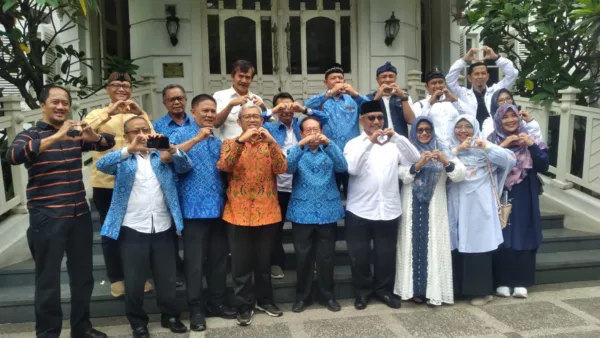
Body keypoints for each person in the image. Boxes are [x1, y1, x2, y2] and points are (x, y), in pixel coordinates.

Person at [7, 85, 114, 338]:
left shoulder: (75, 132)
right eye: (55, 102)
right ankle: (48, 333)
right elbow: (12, 156)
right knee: (48, 282)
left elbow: (107, 143)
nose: (61, 107)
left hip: (79, 216)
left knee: (83, 277)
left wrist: (94, 138)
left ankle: (82, 327)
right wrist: (57, 136)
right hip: (47, 217)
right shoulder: (30, 134)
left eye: (65, 103)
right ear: (42, 105)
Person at [97, 116, 190, 338]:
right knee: (135, 279)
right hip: (132, 227)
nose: (141, 133)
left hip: (163, 225)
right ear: (127, 135)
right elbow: (102, 165)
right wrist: (129, 149)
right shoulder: (123, 159)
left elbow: (185, 165)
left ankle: (170, 316)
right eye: (135, 131)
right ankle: (138, 323)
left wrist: (171, 147)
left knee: (167, 277)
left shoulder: (162, 156)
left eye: (145, 129)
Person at [343, 101, 421, 310]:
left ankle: (384, 291)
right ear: (362, 121)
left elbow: (415, 159)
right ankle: (362, 293)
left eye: (379, 117)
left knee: (385, 255)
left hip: (388, 208)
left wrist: (396, 137)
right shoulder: (353, 144)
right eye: (371, 118)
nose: (376, 122)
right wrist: (370, 141)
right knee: (359, 256)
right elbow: (352, 169)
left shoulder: (394, 144)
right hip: (359, 210)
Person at [169, 94, 237, 331]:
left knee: (218, 261)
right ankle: (196, 307)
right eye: (205, 111)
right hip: (192, 210)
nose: (209, 115)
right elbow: (170, 159)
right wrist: (196, 139)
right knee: (195, 264)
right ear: (193, 111)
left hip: (219, 210)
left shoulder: (217, 141)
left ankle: (216, 303)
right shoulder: (179, 135)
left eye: (212, 111)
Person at [83, 72, 154, 297]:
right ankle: (117, 277)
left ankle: (140, 274)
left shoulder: (138, 114)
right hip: (106, 182)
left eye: (126, 85)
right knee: (111, 230)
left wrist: (140, 113)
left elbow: (151, 136)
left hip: (136, 180)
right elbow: (84, 132)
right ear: (107, 88)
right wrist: (109, 112)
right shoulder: (97, 113)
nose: (122, 89)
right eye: (116, 85)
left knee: (137, 231)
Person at [217, 104, 288, 326]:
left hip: (267, 212)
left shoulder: (270, 145)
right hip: (238, 213)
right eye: (247, 117)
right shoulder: (230, 143)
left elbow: (282, 168)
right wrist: (241, 141)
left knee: (263, 263)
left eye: (256, 117)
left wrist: (273, 143)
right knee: (241, 265)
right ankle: (243, 305)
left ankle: (265, 300)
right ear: (239, 122)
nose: (252, 120)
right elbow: (225, 166)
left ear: (263, 121)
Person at [394, 116, 466, 307]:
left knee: (434, 244)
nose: (424, 133)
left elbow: (459, 174)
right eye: (420, 130)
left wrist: (444, 161)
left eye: (427, 129)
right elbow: (402, 175)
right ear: (414, 132)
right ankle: (414, 290)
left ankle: (433, 291)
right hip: (411, 203)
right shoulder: (407, 150)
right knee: (411, 244)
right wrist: (417, 165)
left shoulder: (443, 149)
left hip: (436, 205)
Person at [447, 115, 516, 306]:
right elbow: (441, 162)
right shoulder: (452, 150)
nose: (462, 131)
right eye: (458, 126)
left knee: (478, 247)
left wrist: (486, 145)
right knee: (457, 244)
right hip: (456, 205)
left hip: (480, 206)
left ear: (475, 128)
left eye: (467, 127)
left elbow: (510, 160)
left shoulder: (486, 151)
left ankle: (482, 292)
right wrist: (456, 149)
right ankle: (458, 290)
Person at [262, 92, 328, 279]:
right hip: (278, 186)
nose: (287, 110)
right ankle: (276, 262)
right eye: (281, 107)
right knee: (276, 227)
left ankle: (313, 263)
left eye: (289, 106)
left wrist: (303, 109)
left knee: (308, 228)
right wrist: (273, 111)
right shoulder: (269, 127)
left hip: (303, 185)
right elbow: (253, 120)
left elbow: (325, 118)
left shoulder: (304, 126)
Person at [285, 117, 347, 313]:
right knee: (303, 257)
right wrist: (300, 146)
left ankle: (327, 295)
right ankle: (302, 296)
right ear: (301, 133)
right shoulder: (295, 152)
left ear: (322, 131)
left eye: (316, 129)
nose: (312, 133)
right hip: (302, 212)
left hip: (327, 211)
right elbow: (287, 168)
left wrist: (329, 144)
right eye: (308, 130)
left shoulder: (329, 150)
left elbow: (342, 167)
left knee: (326, 257)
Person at [488, 104, 549, 299]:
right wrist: (502, 147)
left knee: (524, 232)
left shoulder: (531, 139)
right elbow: (485, 163)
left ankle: (522, 282)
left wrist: (531, 145)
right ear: (499, 119)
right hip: (500, 190)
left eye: (513, 116)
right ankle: (502, 281)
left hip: (525, 190)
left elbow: (544, 165)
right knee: (502, 234)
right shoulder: (492, 140)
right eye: (505, 117)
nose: (510, 120)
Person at [305, 63, 370, 196]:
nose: (337, 81)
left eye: (340, 78)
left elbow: (370, 106)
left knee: (353, 192)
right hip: (328, 154)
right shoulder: (322, 100)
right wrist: (329, 94)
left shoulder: (352, 100)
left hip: (351, 154)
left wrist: (356, 94)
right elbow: (307, 107)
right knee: (329, 192)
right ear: (326, 82)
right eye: (333, 78)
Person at [152, 84, 191, 287]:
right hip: (169, 184)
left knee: (192, 233)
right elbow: (161, 158)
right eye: (171, 99)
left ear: (186, 100)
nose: (176, 102)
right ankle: (175, 271)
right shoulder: (157, 127)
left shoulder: (197, 123)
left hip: (194, 185)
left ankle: (193, 270)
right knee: (170, 231)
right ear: (164, 102)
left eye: (180, 98)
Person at [446, 46, 519, 127]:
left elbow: (512, 74)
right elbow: (449, 79)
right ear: (470, 78)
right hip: (470, 134)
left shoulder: (497, 91)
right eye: (476, 74)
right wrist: (464, 60)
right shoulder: (462, 93)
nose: (480, 76)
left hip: (493, 133)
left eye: (483, 73)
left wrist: (496, 57)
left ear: (487, 76)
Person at [412, 68, 476, 143]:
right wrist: (429, 103)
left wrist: (454, 100)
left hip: (455, 147)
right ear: (427, 86)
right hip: (432, 148)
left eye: (440, 82)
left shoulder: (453, 102)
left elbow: (471, 117)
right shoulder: (420, 104)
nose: (438, 86)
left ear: (445, 84)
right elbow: (417, 124)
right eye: (434, 83)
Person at [214, 60, 267, 139]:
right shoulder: (220, 96)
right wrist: (230, 105)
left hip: (253, 147)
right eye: (240, 76)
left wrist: (263, 108)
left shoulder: (257, 98)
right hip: (229, 147)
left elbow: (267, 124)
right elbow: (216, 123)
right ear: (232, 77)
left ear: (251, 80)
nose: (244, 80)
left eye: (247, 77)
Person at [366, 61, 415, 137]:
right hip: (378, 140)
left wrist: (403, 98)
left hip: (399, 140)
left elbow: (411, 120)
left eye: (391, 76)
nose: (388, 80)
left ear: (396, 78)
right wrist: (376, 98)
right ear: (377, 79)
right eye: (384, 77)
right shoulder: (369, 98)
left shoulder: (404, 96)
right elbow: (367, 121)